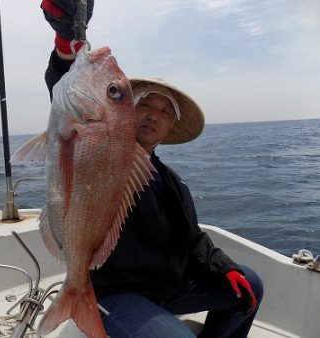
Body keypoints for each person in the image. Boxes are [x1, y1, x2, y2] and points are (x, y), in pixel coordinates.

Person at [40, 1, 264, 337]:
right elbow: (66, 86)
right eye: (145, 103)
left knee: (251, 284)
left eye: (165, 111)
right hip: (117, 292)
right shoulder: (92, 140)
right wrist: (65, 42)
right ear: (126, 112)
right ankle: (87, 298)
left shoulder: (170, 182)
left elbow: (192, 240)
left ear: (170, 126)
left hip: (164, 288)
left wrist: (226, 269)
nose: (154, 115)